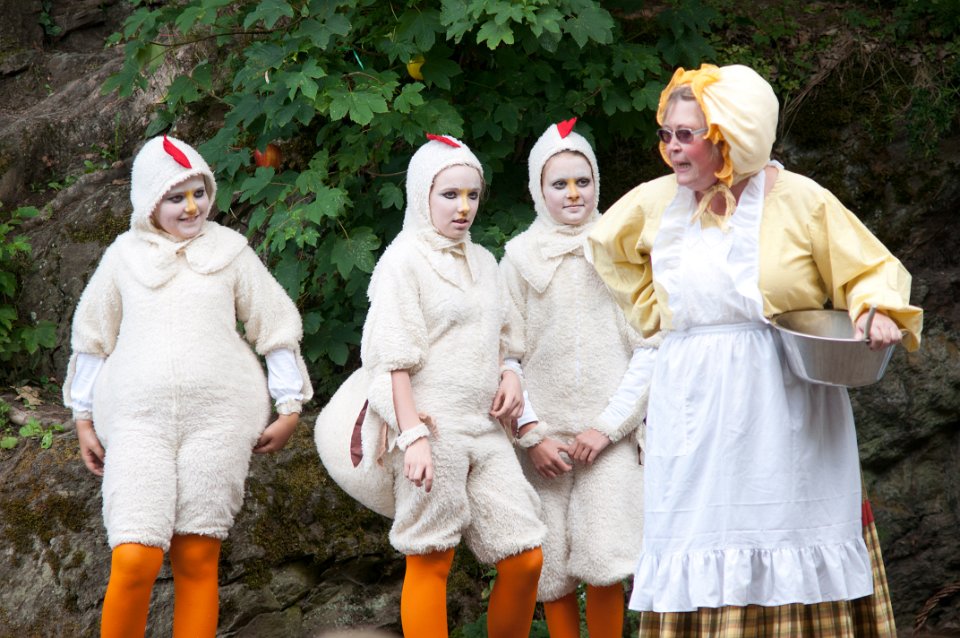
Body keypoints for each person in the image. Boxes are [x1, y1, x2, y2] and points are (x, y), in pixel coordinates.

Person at [587, 64, 923, 636]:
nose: (671, 147)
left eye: (687, 135)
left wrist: (876, 310)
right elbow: (608, 250)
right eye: (666, 134)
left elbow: (868, 268)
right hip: (692, 400)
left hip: (782, 397)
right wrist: (661, 316)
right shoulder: (654, 202)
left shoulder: (798, 199)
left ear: (732, 138)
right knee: (697, 530)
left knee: (785, 519)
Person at [63, 135, 313, 638]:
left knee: (197, 555)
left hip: (219, 419)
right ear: (149, 202)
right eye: (176, 197)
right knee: (134, 557)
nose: (192, 206)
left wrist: (289, 407)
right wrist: (83, 418)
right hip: (138, 420)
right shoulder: (123, 256)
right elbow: (92, 337)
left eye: (198, 193)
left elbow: (276, 324)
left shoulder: (231, 252)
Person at [358, 134, 546, 638]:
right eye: (449, 195)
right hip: (431, 425)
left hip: (485, 427)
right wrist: (412, 436)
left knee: (526, 556)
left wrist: (510, 373)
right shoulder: (403, 261)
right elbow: (392, 359)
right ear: (422, 195)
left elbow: (506, 337)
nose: (463, 207)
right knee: (431, 556)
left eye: (472, 195)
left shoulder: (484, 261)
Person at [499, 118, 657, 638]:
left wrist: (608, 427)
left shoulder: (621, 249)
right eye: (559, 183)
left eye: (582, 181)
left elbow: (650, 348)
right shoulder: (518, 259)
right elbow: (504, 355)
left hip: (607, 435)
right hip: (542, 440)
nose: (573, 193)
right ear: (537, 189)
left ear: (597, 184)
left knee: (606, 557)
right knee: (551, 568)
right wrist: (531, 434)